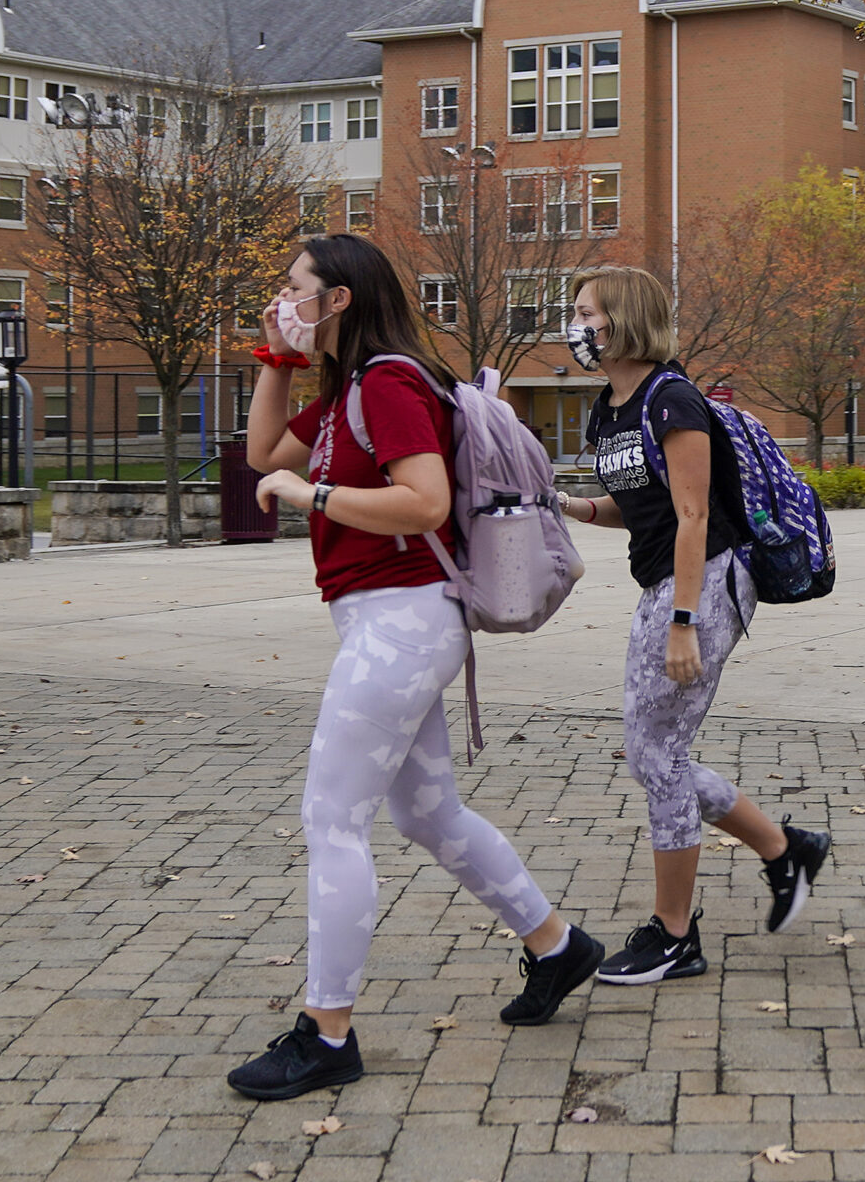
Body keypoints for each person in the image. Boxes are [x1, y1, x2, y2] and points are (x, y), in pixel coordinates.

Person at [228, 233, 604, 1101]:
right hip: (387, 621)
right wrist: (276, 358)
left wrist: (315, 496)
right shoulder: (348, 391)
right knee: (428, 812)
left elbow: (425, 501)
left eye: (294, 287)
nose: (282, 298)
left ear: (339, 299)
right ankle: (556, 944)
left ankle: (327, 1034)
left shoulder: (388, 382)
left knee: (332, 819)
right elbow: (263, 455)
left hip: (401, 622)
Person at [557, 266, 829, 985]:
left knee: (658, 755)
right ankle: (787, 850)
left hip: (705, 583)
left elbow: (694, 513)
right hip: (665, 582)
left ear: (623, 319)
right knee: (655, 752)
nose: (576, 326)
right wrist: (572, 506)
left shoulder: (672, 399)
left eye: (586, 313)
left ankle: (675, 934)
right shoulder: (609, 409)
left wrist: (683, 622)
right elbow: (637, 506)